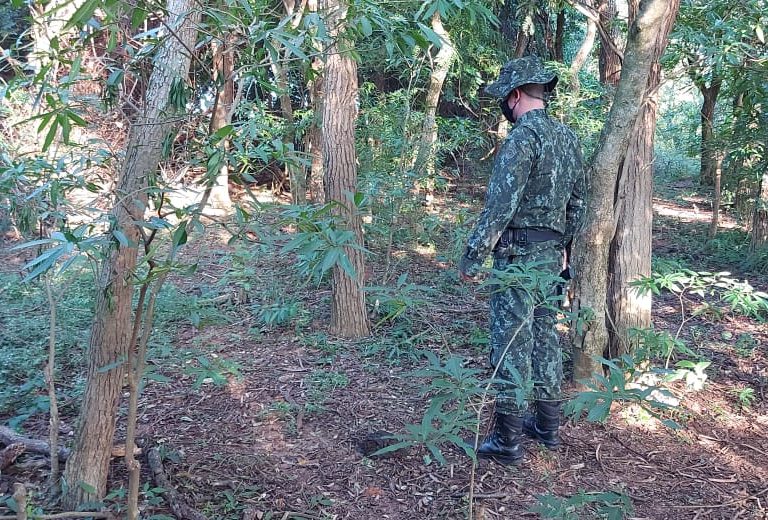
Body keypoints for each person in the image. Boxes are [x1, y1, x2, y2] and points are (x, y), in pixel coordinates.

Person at [458, 56, 587, 464]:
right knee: (545, 335)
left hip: (517, 258)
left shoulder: (522, 139)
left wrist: (473, 256)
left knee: (512, 341)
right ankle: (548, 426)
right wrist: (564, 248)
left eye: (504, 98)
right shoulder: (569, 139)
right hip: (551, 258)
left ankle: (507, 439)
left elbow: (500, 206)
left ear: (515, 96)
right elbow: (578, 204)